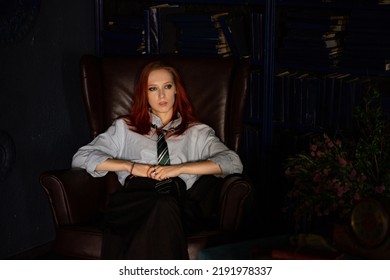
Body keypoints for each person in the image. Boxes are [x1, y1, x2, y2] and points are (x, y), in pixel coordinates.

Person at [71, 60, 243, 259]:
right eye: (153, 89)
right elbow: (81, 157)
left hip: (176, 202)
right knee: (161, 209)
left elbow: (233, 162)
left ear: (176, 90)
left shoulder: (197, 132)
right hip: (133, 201)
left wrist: (178, 169)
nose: (161, 95)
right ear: (144, 94)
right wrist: (132, 167)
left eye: (167, 87)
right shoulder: (124, 128)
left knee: (164, 206)